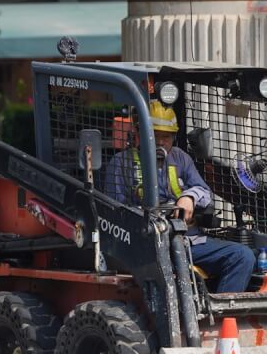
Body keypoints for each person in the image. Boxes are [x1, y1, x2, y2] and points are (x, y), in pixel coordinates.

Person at [104, 100, 256, 293]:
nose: (160, 142)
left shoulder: (180, 158)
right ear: (138, 133)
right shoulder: (120, 164)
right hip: (146, 248)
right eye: (154, 135)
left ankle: (223, 317)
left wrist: (189, 197)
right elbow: (115, 213)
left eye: (165, 136)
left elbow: (205, 193)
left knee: (243, 256)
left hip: (188, 242)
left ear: (174, 137)